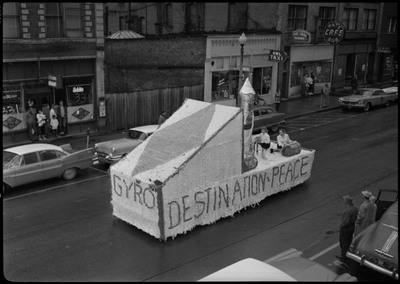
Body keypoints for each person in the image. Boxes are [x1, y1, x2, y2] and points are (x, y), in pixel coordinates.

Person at [337, 195, 359, 262]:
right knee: (349, 240)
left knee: (344, 242)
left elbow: (345, 222)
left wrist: (341, 227)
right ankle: (349, 253)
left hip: (346, 229)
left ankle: (344, 256)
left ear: (347, 203)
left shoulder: (347, 211)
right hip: (352, 226)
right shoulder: (355, 208)